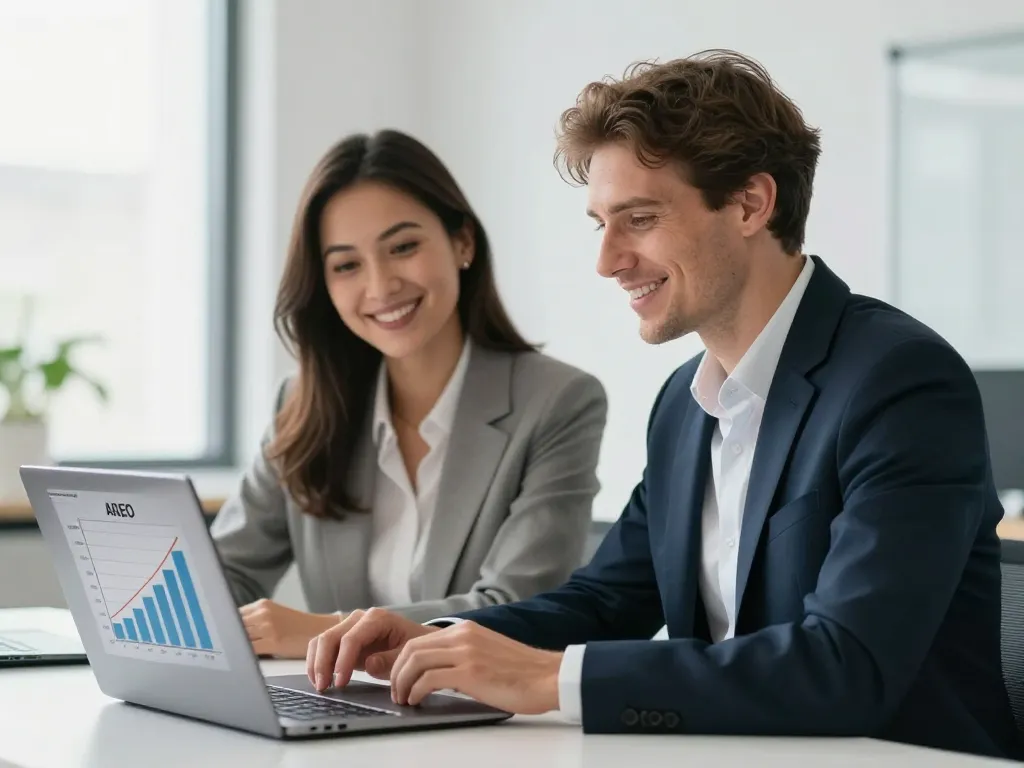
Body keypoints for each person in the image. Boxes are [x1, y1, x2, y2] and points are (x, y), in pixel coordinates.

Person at [303, 51, 1021, 759]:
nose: (607, 260)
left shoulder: (900, 382)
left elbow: (845, 665)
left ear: (750, 203)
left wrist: (554, 678)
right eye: (600, 224)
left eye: (639, 219)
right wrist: (429, 640)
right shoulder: (684, 403)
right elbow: (606, 601)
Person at [209, 129, 608, 659]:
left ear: (462, 242)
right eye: (346, 265)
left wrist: (319, 631)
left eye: (403, 247)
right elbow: (223, 576)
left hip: (484, 720)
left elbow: (518, 603)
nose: (380, 287)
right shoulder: (304, 402)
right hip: (339, 714)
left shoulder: (559, 401)